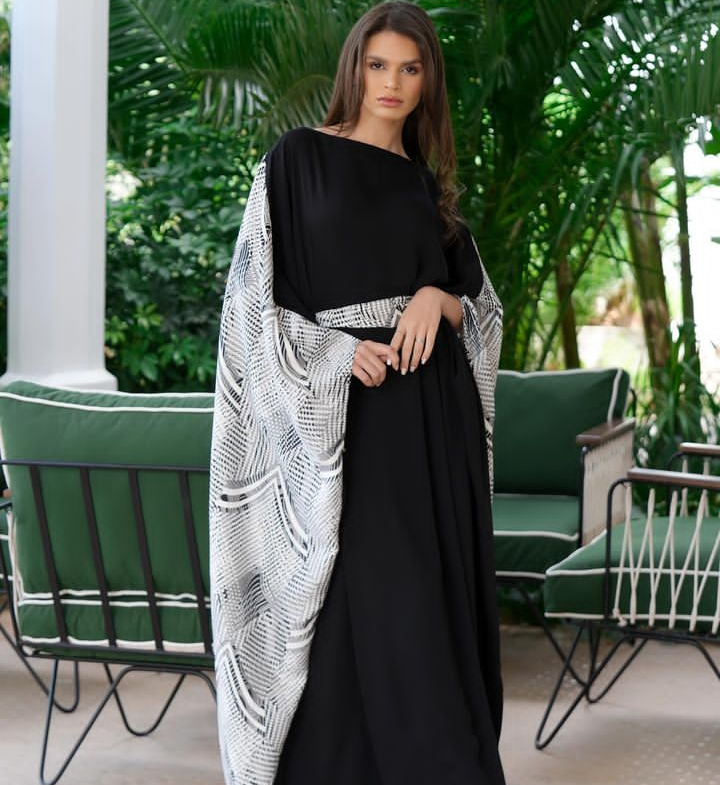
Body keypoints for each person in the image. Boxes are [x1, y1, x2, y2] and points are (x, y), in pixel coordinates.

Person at [209, 3, 506, 784]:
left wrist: (436, 299)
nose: (392, 83)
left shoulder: (426, 188)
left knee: (424, 611)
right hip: (346, 417)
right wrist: (337, 351)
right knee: (353, 604)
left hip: (430, 425)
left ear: (428, 82)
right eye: (378, 65)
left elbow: (479, 304)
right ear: (355, 69)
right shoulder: (297, 161)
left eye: (410, 68)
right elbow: (253, 309)